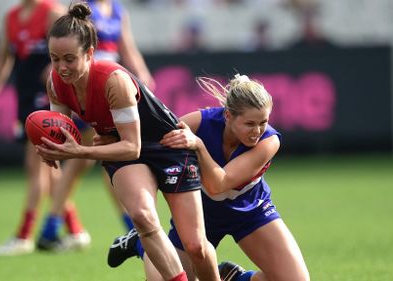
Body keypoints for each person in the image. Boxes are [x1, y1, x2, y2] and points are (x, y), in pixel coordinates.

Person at [36, 3, 220, 281]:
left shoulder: (114, 81)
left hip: (168, 147)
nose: (61, 67)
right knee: (144, 218)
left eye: (69, 59)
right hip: (123, 151)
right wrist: (51, 147)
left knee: (195, 246)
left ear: (89, 54)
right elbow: (60, 130)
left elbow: (132, 145)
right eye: (54, 58)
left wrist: (79, 151)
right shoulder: (56, 82)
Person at [108, 74, 311, 281]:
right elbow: (153, 142)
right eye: (250, 123)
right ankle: (140, 243)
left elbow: (218, 184)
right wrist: (112, 138)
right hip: (198, 212)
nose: (257, 130)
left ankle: (237, 278)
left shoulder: (270, 141)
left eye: (263, 122)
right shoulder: (200, 122)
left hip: (251, 211)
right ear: (228, 116)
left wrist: (198, 145)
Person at [36, 0, 156, 250]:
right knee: (88, 159)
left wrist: (142, 73)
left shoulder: (117, 10)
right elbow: (67, 40)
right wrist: (62, 65)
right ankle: (131, 229)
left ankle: (52, 225)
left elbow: (127, 46)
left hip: (107, 87)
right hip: (85, 85)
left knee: (85, 160)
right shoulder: (83, 8)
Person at [0, 0, 90, 256]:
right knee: (47, 170)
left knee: (35, 165)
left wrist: (55, 69)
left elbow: (75, 50)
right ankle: (75, 230)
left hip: (48, 97)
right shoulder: (11, 17)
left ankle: (24, 235)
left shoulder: (52, 12)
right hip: (25, 97)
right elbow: (3, 57)